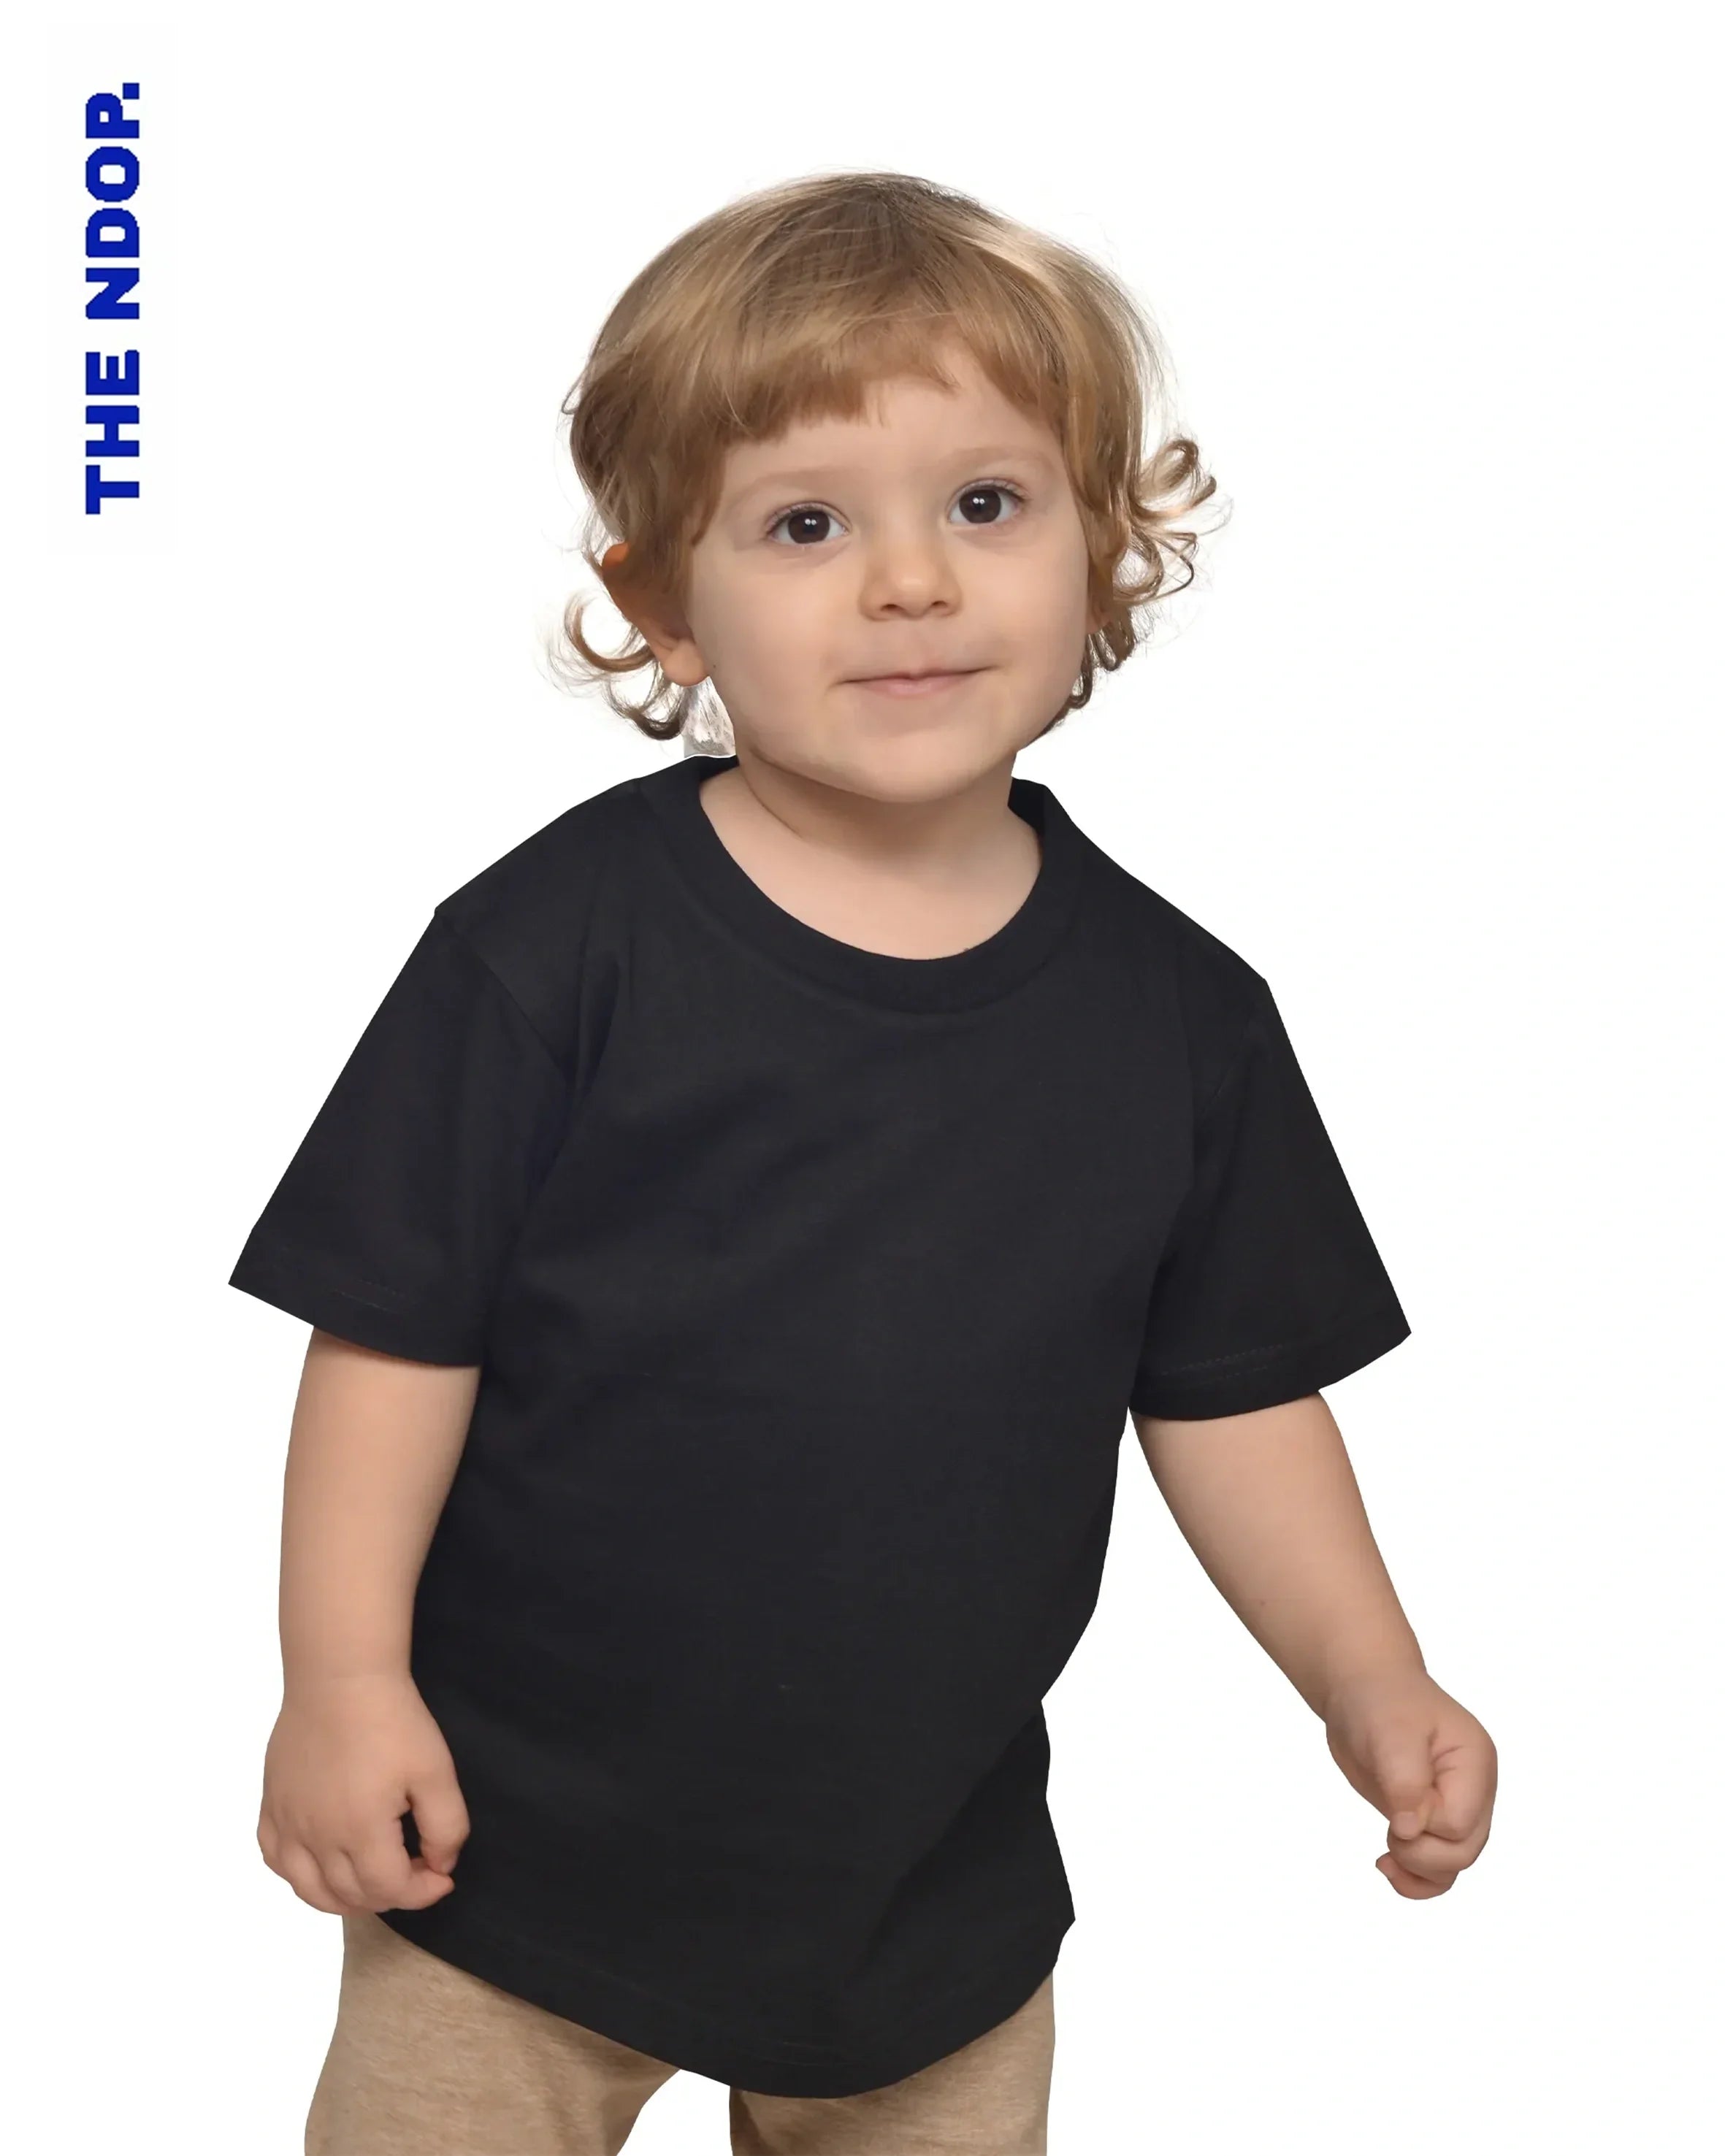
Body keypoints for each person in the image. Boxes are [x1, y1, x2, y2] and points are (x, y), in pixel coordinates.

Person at [230, 169, 1498, 2155]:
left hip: (927, 1890)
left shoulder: (1182, 1016)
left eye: (985, 504)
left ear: (1105, 550)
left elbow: (1235, 1394)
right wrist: (340, 1681)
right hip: (507, 1854)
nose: (909, 581)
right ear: (663, 601)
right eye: (807, 524)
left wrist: (1371, 1674)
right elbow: (395, 1336)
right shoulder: (551, 951)